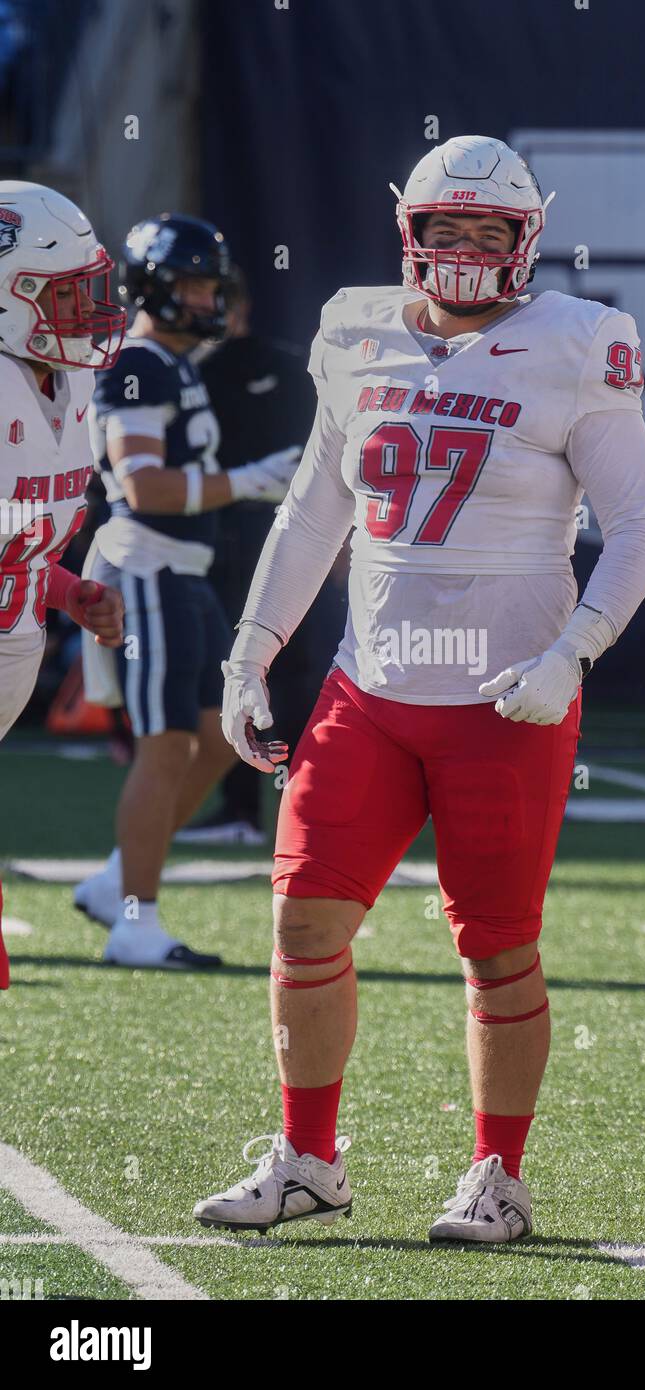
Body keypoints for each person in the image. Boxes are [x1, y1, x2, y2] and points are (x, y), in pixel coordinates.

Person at [194, 135, 645, 1242]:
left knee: (495, 945)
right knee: (304, 918)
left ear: (526, 240)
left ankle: (497, 1176)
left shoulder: (575, 341)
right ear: (406, 233)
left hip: (506, 699)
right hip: (370, 689)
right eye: (441, 229)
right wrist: (252, 646)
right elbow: (314, 504)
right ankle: (309, 1158)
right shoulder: (355, 329)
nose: (461, 250)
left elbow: (641, 524)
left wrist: (574, 651)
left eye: (486, 231)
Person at [72, 214, 299, 970]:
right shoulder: (138, 362)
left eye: (212, 286)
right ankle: (135, 921)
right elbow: (142, 487)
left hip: (184, 574)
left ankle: (115, 880)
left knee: (218, 739)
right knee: (165, 745)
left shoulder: (175, 362)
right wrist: (254, 480)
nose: (207, 300)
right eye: (193, 285)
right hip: (149, 567)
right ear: (154, 288)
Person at [0, 179, 125, 989]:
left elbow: (21, 537)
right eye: (63, 295)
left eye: (90, 290)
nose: (88, 313)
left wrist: (66, 591)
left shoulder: (68, 382)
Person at [176, 267, 346, 846]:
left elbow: (332, 465)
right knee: (234, 669)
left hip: (291, 533)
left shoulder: (295, 369)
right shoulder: (182, 373)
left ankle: (290, 801)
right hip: (216, 539)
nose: (214, 309)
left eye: (220, 297)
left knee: (291, 669)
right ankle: (246, 804)